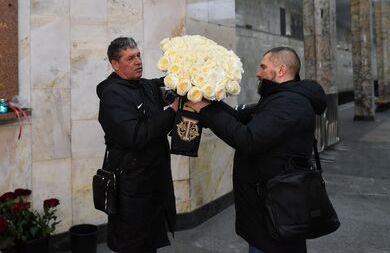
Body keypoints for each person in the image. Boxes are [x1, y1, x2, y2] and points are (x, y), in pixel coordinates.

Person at [188, 47, 327, 253]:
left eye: (263, 67)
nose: (258, 72)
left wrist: (205, 109)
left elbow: (248, 139)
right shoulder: (280, 98)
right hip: (269, 208)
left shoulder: (290, 103)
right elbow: (240, 118)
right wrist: (209, 101)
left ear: (280, 70)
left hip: (278, 209)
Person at [96, 37, 179, 253]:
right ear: (115, 64)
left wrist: (193, 72)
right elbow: (135, 137)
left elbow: (171, 83)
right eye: (130, 58)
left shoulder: (145, 86)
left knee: (149, 244)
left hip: (151, 182)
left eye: (139, 56)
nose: (138, 61)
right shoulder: (112, 95)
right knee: (133, 244)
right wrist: (172, 111)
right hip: (131, 188)